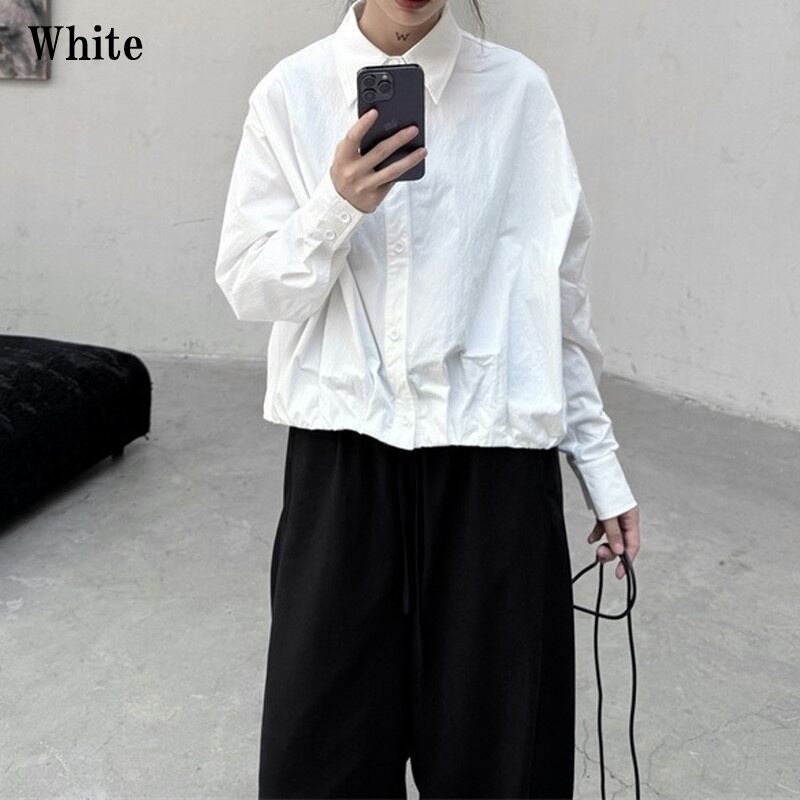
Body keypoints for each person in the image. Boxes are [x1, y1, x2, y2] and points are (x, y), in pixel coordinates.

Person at [214, 0, 642, 797]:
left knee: (505, 770)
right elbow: (251, 288)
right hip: (342, 479)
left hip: (495, 483)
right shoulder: (290, 93)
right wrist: (336, 205)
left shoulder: (519, 94)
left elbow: (556, 303)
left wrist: (600, 465)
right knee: (319, 768)